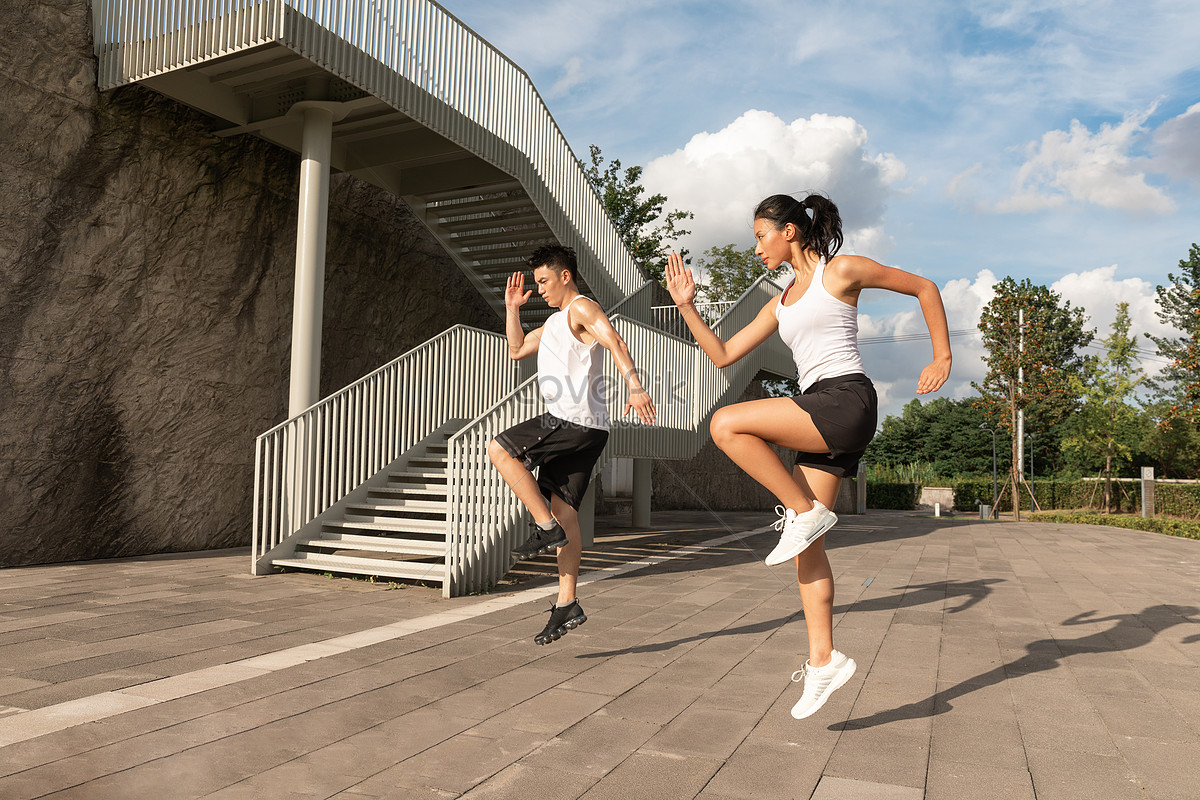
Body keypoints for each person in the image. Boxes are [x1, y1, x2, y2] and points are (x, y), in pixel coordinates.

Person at [665, 193, 951, 718]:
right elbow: (724, 354)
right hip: (822, 410)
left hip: (845, 399)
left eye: (760, 236)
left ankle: (804, 511)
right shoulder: (779, 301)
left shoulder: (841, 272)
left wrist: (942, 354)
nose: (756, 248)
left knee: (726, 423)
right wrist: (685, 304)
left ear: (789, 232)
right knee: (807, 550)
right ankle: (824, 661)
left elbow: (923, 288)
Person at [488, 244, 656, 646]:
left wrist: (634, 386)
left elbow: (614, 340)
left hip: (571, 420)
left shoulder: (581, 307)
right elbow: (516, 350)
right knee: (566, 513)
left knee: (499, 449)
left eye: (544, 281)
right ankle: (568, 603)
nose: (540, 289)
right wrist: (512, 309)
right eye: (536, 283)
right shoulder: (554, 322)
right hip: (591, 429)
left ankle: (543, 528)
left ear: (565, 275)